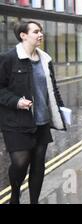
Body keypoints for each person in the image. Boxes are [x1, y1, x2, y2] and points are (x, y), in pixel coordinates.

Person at [0, 20, 66, 204]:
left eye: (41, 31)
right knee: (20, 163)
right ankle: (15, 193)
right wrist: (17, 101)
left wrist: (60, 109)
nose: (40, 34)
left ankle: (34, 202)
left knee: (38, 164)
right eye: (36, 31)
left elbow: (52, 88)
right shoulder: (9, 58)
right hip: (16, 121)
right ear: (23, 35)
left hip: (41, 120)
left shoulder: (45, 59)